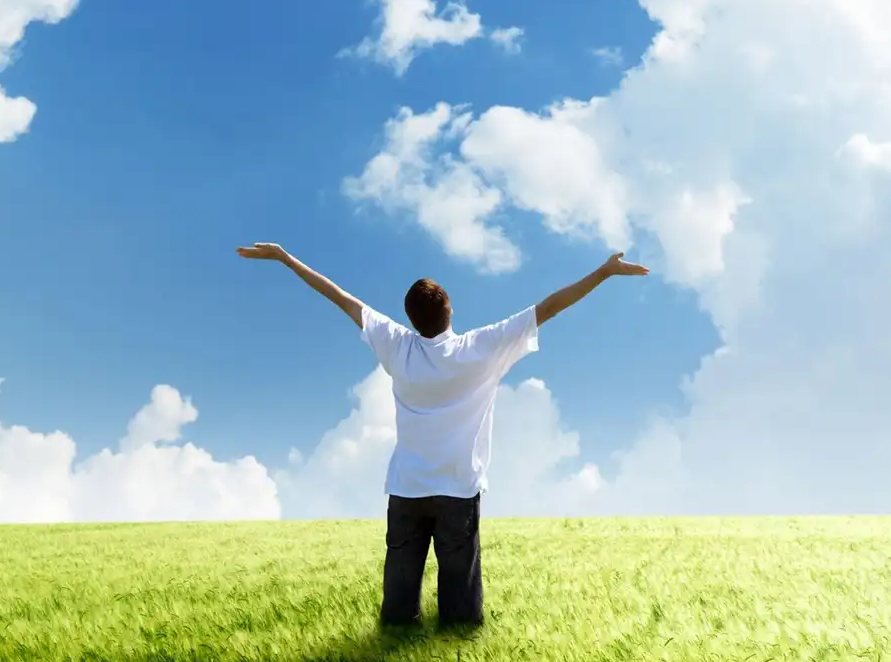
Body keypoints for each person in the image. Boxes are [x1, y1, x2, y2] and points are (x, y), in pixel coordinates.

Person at [235, 241, 649, 628]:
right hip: (458, 489)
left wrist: (285, 258)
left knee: (397, 604)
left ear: (410, 319)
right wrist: (604, 272)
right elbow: (550, 307)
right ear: (450, 310)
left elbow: (340, 297)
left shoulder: (396, 346)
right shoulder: (481, 348)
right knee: (461, 608)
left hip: (407, 488)